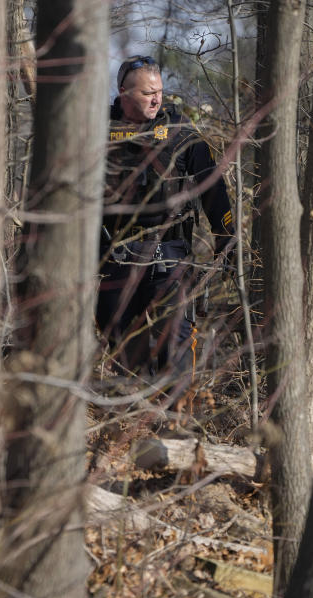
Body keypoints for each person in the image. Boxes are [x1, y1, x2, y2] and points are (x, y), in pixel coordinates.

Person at [98, 55, 234, 384]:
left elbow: (213, 188)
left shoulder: (180, 134)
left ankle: (178, 423)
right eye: (147, 93)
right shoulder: (95, 135)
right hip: (115, 259)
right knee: (125, 354)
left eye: (159, 91)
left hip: (168, 256)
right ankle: (131, 424)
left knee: (175, 344)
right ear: (123, 93)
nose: (156, 98)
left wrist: (226, 237)